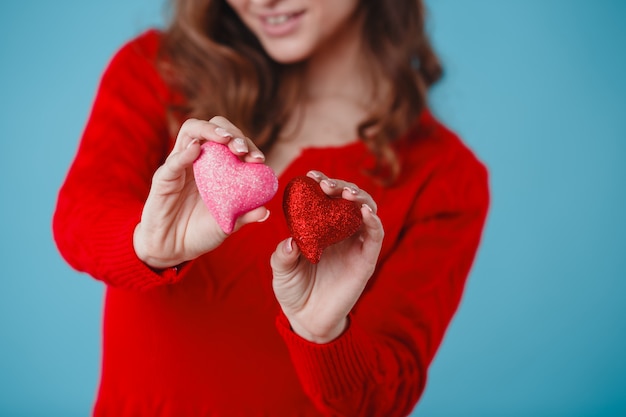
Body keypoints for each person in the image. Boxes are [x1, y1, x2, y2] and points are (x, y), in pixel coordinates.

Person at [53, 0, 489, 415]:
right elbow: (78, 217)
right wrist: (148, 243)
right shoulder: (158, 70)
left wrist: (324, 335)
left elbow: (385, 399)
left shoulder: (446, 178)